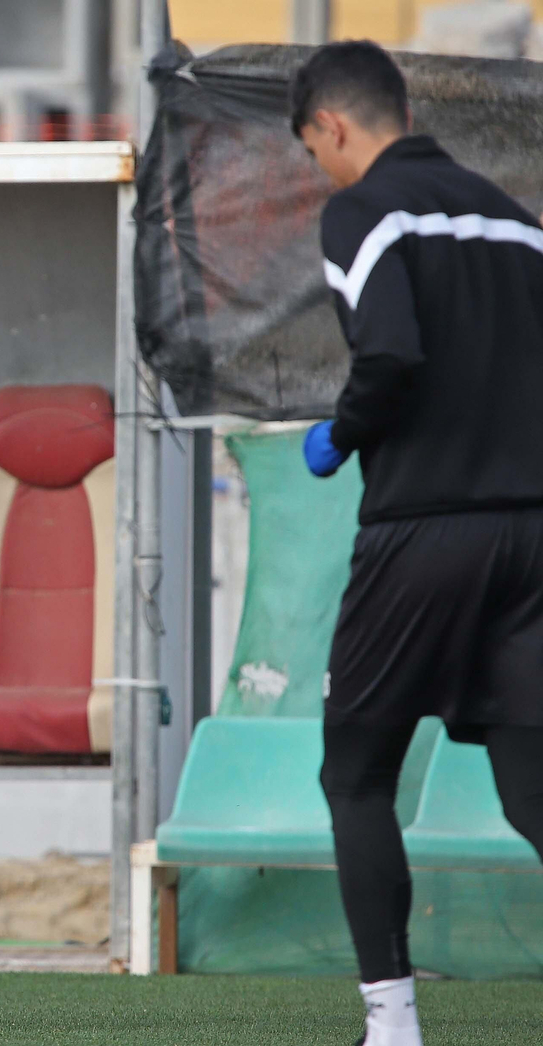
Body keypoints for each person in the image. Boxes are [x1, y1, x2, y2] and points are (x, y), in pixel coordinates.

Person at [291, 40, 543, 1046]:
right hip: (535, 536)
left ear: (332, 125)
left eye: (314, 150)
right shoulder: (518, 221)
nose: (321, 170)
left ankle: (392, 1024)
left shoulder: (366, 210)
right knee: (533, 788)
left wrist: (341, 433)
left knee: (355, 772)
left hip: (421, 531)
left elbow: (389, 352)